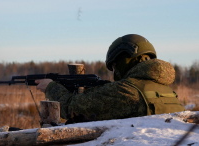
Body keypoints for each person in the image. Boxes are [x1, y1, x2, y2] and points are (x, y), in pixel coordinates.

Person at [35, 34, 185, 121]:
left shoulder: (127, 91)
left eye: (114, 67)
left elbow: (70, 107)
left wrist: (50, 87)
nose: (115, 72)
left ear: (124, 61)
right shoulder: (168, 91)